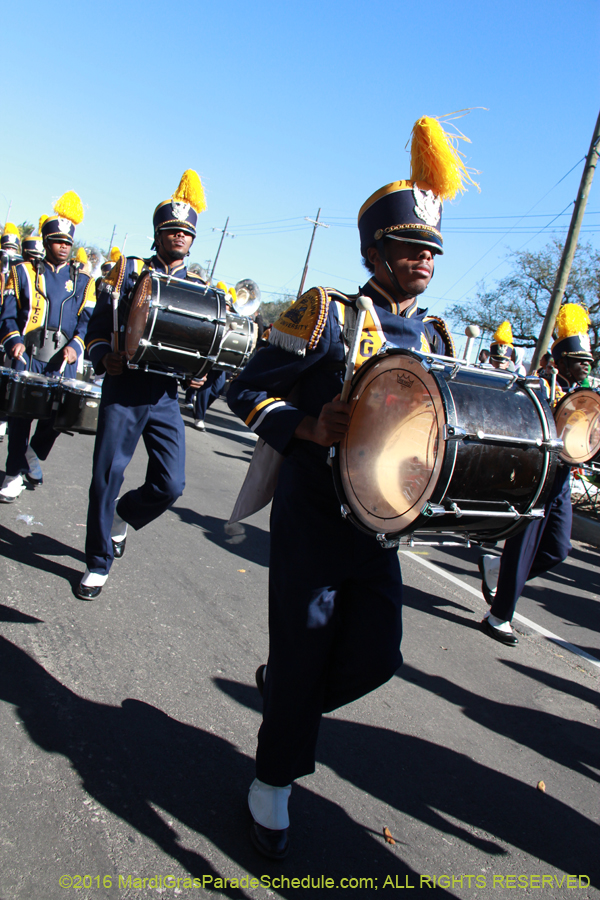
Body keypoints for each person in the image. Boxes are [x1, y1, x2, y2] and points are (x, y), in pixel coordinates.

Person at [227, 115, 477, 859]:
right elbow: (244, 392)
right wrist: (308, 428)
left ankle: (285, 703)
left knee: (376, 656)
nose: (423, 259)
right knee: (306, 654)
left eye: (431, 248)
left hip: (380, 529)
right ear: (374, 249)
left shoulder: (434, 340)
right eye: (409, 246)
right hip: (313, 516)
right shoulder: (324, 313)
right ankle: (271, 786)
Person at [76, 170, 208, 600]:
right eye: (172, 230)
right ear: (158, 234)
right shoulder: (127, 272)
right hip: (125, 388)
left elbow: (206, 346)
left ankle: (122, 516)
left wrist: (201, 373)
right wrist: (103, 356)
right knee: (105, 477)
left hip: (165, 395)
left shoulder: (200, 289)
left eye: (186, 232)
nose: (179, 237)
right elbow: (97, 328)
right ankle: (98, 561)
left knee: (171, 484)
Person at [478, 303, 593, 645]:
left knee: (558, 549)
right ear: (561, 360)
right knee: (523, 546)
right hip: (537, 476)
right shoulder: (542, 385)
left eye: (589, 362)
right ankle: (499, 616)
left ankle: (497, 572)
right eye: (580, 362)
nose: (585, 367)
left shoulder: (585, 396)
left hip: (563, 478)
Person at [0, 195, 96, 501]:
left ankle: (32, 453)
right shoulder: (23, 272)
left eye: (68, 241)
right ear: (46, 242)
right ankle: (13, 473)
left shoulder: (83, 281)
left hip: (62, 358)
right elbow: (8, 315)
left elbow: (87, 323)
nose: (64, 246)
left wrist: (76, 347)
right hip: (29, 354)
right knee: (20, 418)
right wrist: (14, 340)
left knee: (57, 419)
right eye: (57, 241)